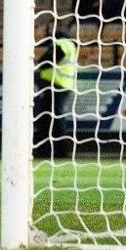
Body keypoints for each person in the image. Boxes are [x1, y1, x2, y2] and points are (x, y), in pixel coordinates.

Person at [34, 29, 77, 159]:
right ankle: (58, 150)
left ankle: (52, 150)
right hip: (63, 85)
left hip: (54, 84)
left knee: (49, 119)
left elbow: (46, 62)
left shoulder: (61, 44)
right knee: (54, 118)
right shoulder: (70, 46)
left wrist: (39, 61)